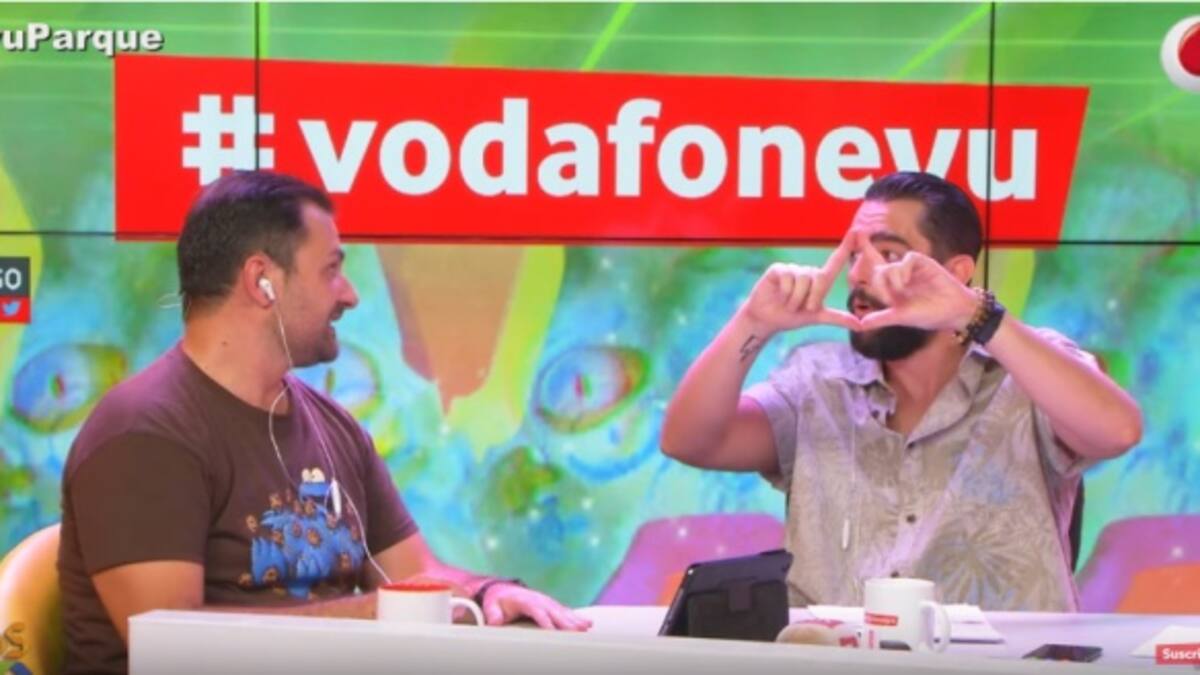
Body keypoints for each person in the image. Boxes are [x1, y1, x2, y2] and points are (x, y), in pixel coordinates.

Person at [58, 171, 590, 675]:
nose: (349, 294)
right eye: (331, 270)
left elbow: (414, 575)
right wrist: (371, 615)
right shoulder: (143, 434)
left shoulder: (334, 427)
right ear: (263, 281)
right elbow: (172, 647)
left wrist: (487, 593)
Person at [661, 171, 1143, 612]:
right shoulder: (816, 382)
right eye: (855, 256)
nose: (858, 275)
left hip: (997, 663)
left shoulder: (1026, 368)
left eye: (888, 255)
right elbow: (689, 441)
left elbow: (1117, 431)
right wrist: (753, 322)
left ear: (956, 272)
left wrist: (977, 315)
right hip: (835, 661)